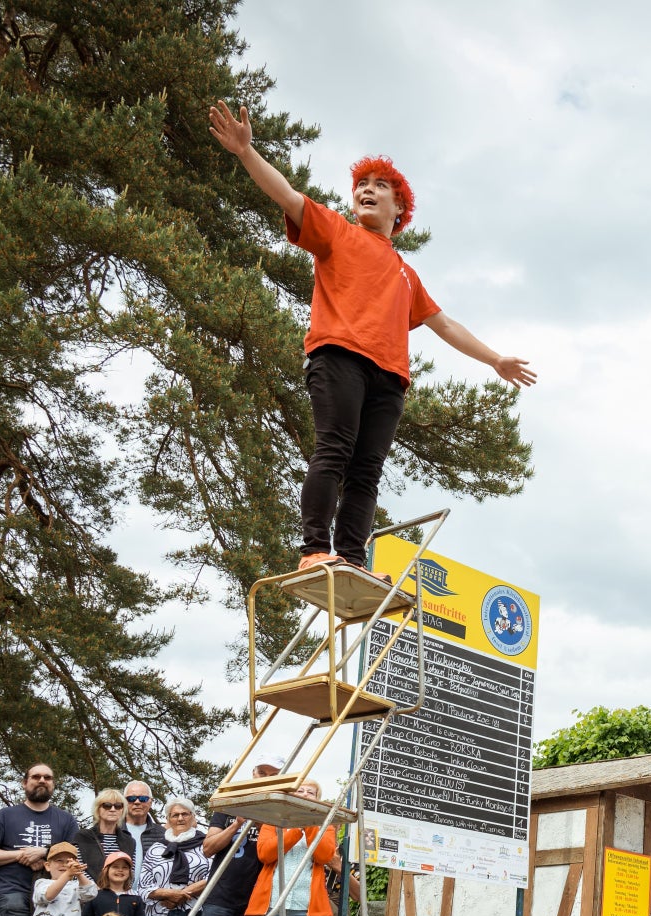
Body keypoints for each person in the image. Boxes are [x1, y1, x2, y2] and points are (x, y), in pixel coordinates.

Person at [206, 99, 535, 574]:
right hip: (339, 356)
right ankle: (315, 549)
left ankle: (353, 559)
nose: (367, 190)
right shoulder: (337, 232)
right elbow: (289, 197)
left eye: (380, 186)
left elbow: (445, 325)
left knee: (366, 473)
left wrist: (495, 360)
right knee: (334, 449)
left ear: (399, 207)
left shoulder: (407, 274)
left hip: (389, 380)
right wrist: (245, 153)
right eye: (362, 184)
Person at [0, 764, 79, 916]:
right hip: (12, 889)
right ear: (25, 783)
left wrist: (43, 852)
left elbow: (73, 855)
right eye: (36, 777)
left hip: (53, 894)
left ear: (53, 784)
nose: (42, 780)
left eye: (47, 778)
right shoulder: (5, 815)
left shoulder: (66, 820)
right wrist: (21, 854)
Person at [30, 843, 97, 916]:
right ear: (47, 866)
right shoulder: (42, 883)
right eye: (58, 860)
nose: (64, 865)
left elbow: (91, 893)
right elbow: (48, 895)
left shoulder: (76, 886)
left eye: (69, 861)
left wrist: (79, 874)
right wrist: (68, 874)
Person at [81, 852, 147, 916]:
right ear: (106, 870)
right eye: (115, 867)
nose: (120, 870)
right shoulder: (94, 896)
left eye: (125, 867)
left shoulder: (135, 898)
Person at [72, 789, 128, 882]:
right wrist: (97, 890)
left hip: (118, 893)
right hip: (88, 893)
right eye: (107, 805)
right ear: (98, 809)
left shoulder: (129, 841)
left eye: (118, 806)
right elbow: (78, 869)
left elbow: (130, 872)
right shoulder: (82, 837)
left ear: (122, 810)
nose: (112, 809)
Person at [118, 781, 163, 870]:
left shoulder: (163, 834)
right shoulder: (113, 831)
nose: (137, 802)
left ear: (150, 802)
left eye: (143, 798)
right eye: (131, 798)